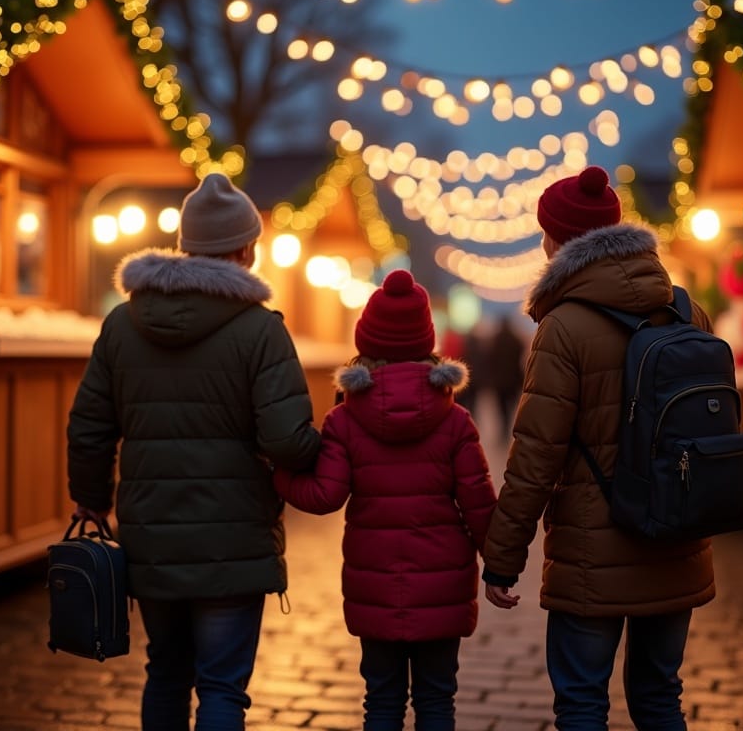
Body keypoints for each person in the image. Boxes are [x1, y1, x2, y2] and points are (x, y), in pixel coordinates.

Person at [66, 172, 322, 731]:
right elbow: (286, 439)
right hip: (234, 539)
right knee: (222, 686)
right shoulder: (260, 331)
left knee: (165, 672)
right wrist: (320, 449)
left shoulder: (122, 323)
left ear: (186, 245)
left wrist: (91, 497)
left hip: (151, 535)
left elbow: (89, 426)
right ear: (246, 249)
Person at [481, 165, 716, 730]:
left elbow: (535, 458)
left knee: (583, 702)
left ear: (557, 241)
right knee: (660, 698)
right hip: (678, 536)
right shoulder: (687, 311)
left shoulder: (563, 327)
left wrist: (502, 558)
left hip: (592, 550)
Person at [274, 269, 497, 731]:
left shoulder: (344, 420)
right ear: (428, 342)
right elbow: (480, 506)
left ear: (366, 342)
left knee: (381, 700)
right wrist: (500, 567)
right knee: (437, 700)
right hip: (442, 587)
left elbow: (325, 495)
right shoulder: (456, 421)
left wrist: (278, 477)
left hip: (373, 584)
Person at [486, 314, 526, 443]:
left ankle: (503, 428)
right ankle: (508, 426)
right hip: (513, 380)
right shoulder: (516, 339)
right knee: (511, 405)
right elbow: (520, 356)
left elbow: (490, 359)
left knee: (501, 406)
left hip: (499, 380)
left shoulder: (495, 339)